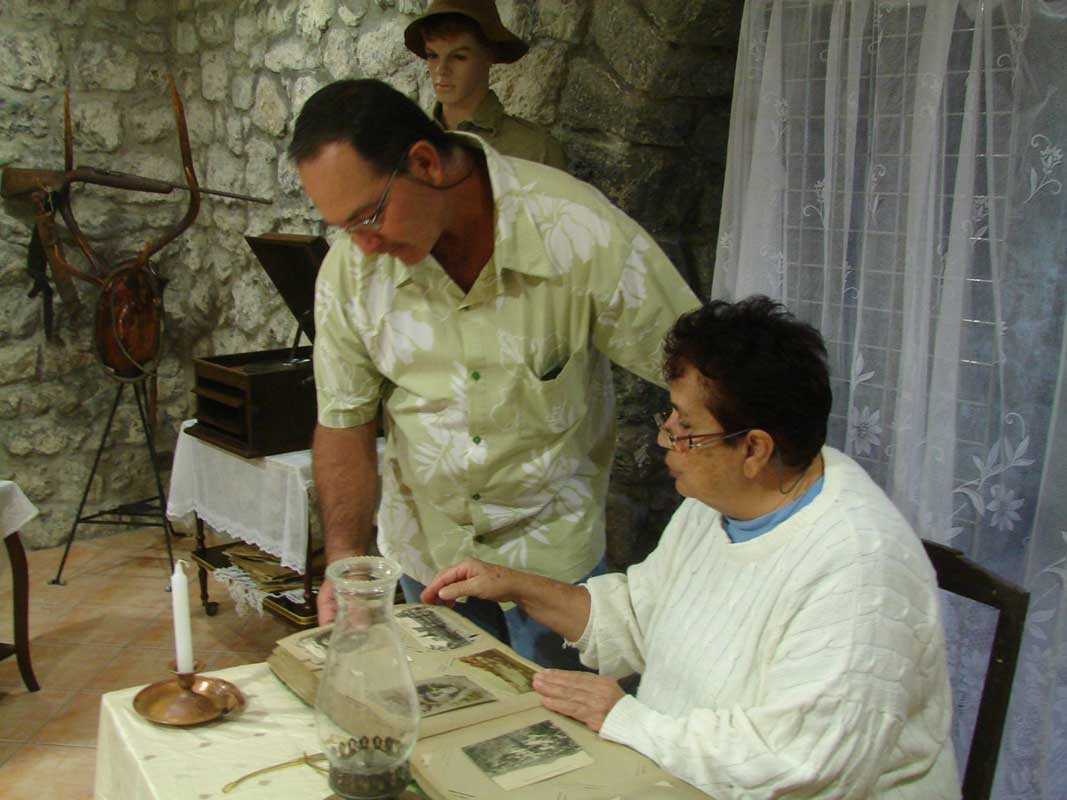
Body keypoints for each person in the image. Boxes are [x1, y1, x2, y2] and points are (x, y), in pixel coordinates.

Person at [421, 296, 961, 798]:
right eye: (670, 418)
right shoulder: (724, 500)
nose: (665, 440)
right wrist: (516, 585)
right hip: (674, 772)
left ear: (754, 449)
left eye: (685, 428)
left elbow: (795, 766)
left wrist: (627, 719)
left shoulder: (860, 570)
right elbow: (639, 620)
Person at [287, 79, 699, 668]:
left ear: (425, 163)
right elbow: (343, 421)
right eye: (345, 228)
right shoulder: (352, 273)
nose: (364, 245)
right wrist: (345, 562)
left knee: (561, 724)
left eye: (368, 217)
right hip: (427, 562)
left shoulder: (575, 230)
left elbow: (697, 363)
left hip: (551, 567)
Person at [404, 0, 566, 169]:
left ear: (490, 55)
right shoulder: (406, 138)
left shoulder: (535, 151)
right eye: (433, 55)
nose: (441, 69)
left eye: (459, 57)